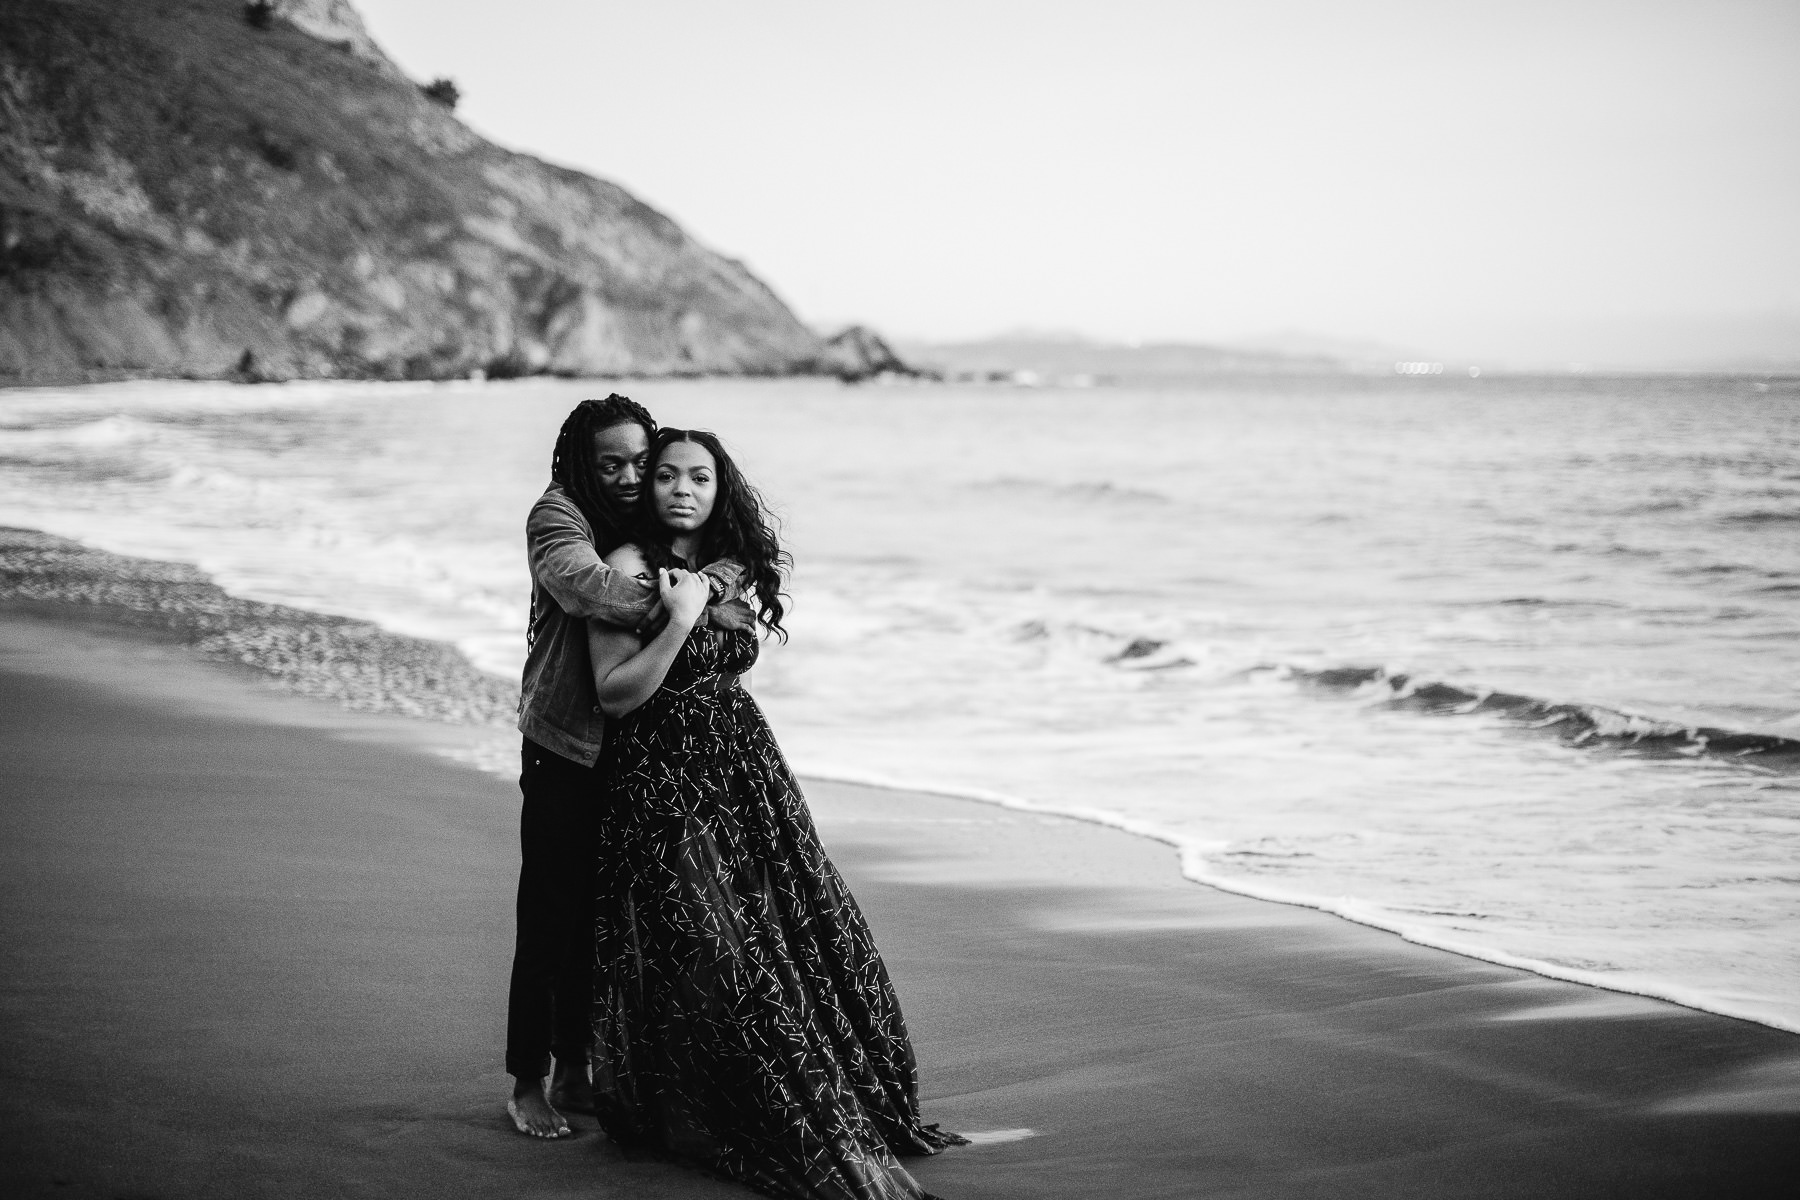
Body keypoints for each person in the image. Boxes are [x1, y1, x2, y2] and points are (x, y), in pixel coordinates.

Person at [586, 429, 964, 1198]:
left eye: (699, 476)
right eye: (665, 475)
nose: (681, 489)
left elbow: (733, 661)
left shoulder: (732, 572)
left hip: (747, 774)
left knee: (806, 936)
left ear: (722, 490)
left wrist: (705, 600)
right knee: (710, 947)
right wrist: (682, 618)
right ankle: (704, 1105)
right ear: (647, 486)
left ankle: (787, 1096)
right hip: (666, 782)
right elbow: (615, 693)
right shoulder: (625, 569)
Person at [508, 396, 750, 1139]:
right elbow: (591, 590)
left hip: (639, 755)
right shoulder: (559, 517)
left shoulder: (642, 522)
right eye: (609, 463)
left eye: (639, 462)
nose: (627, 476)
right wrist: (688, 601)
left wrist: (719, 577)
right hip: (567, 744)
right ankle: (526, 1083)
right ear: (581, 461)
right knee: (551, 917)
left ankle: (579, 1070)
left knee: (605, 918)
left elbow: (727, 556)